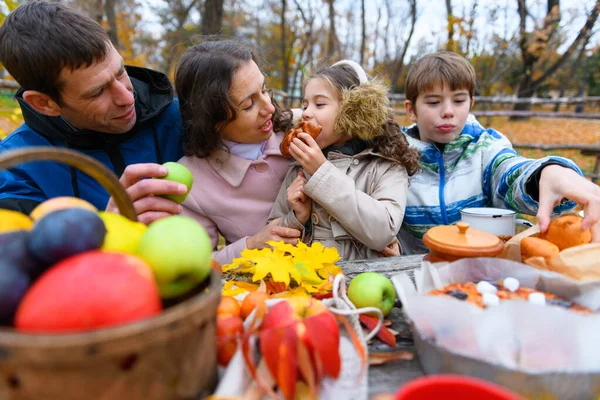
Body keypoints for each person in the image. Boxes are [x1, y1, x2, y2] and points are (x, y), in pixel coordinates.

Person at [0, 1, 186, 224]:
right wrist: (109, 225)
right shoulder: (15, 169)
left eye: (120, 72)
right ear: (44, 103)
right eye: (97, 92)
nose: (128, 98)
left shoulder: (182, 120)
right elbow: (22, 256)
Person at [398, 51, 600, 254]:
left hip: (481, 274)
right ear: (411, 109)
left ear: (471, 104)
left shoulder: (485, 148)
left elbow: (507, 169)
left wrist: (546, 174)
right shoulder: (394, 155)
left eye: (459, 101)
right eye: (433, 102)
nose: (448, 111)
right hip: (412, 275)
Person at [268, 60, 421, 260]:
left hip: (365, 282)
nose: (305, 113)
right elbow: (271, 237)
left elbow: (383, 232)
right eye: (305, 105)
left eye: (319, 104)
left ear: (353, 110)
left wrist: (321, 172)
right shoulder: (299, 168)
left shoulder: (387, 166)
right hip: (309, 285)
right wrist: (296, 218)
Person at [174, 40, 302, 266]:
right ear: (212, 120)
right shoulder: (192, 181)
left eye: (264, 90)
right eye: (248, 104)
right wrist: (250, 246)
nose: (270, 108)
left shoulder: (299, 126)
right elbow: (199, 265)